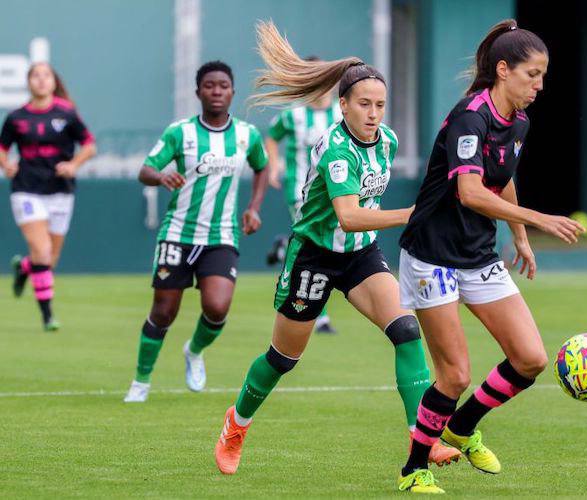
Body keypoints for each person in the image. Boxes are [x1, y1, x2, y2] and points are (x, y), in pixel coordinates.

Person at [213, 21, 460, 475]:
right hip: (314, 256)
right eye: (363, 104)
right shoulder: (335, 149)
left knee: (406, 331)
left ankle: (421, 440)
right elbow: (348, 215)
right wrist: (414, 214)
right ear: (341, 104)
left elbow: (363, 219)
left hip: (361, 255)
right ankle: (236, 424)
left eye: (380, 105)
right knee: (283, 358)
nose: (373, 113)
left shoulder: (387, 140)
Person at [396, 20, 584, 493]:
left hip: (477, 254)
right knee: (454, 373)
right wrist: (540, 219)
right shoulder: (470, 115)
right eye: (532, 75)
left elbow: (502, 176)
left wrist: (519, 234)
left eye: (543, 76)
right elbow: (470, 191)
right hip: (432, 256)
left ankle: (461, 428)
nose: (540, 85)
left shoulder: (519, 120)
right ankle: (414, 468)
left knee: (530, 358)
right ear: (503, 70)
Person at [123, 61, 269, 403]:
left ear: (233, 92)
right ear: (198, 92)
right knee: (163, 311)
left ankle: (194, 350)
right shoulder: (181, 133)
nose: (216, 91)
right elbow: (146, 169)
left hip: (220, 236)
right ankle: (141, 381)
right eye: (209, 86)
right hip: (178, 233)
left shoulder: (247, 134)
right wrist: (160, 177)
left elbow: (262, 167)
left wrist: (254, 207)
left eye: (223, 86)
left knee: (217, 307)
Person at [0, 62, 96, 331]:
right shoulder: (16, 117)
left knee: (48, 260)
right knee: (42, 250)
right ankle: (47, 316)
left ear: (54, 82)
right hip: (27, 190)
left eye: (46, 76)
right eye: (35, 76)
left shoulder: (66, 114)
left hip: (60, 191)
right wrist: (5, 164)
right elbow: (2, 148)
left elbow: (89, 144)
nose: (41, 80)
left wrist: (74, 165)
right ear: (29, 82)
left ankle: (24, 268)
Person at [265, 57, 342, 334]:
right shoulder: (293, 115)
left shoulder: (342, 113)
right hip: (300, 190)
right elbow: (272, 136)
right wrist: (274, 166)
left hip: (335, 193)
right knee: (316, 245)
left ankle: (284, 247)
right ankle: (319, 316)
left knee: (326, 242)